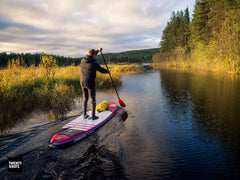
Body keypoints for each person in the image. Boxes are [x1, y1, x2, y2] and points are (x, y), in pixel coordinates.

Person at [80, 48, 109, 120]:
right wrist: (107, 71)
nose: (95, 56)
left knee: (85, 98)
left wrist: (98, 50)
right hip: (90, 83)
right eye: (94, 55)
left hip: (82, 82)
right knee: (92, 99)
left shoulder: (83, 60)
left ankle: (84, 114)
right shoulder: (93, 64)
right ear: (93, 55)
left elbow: (93, 54)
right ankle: (93, 116)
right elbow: (101, 70)